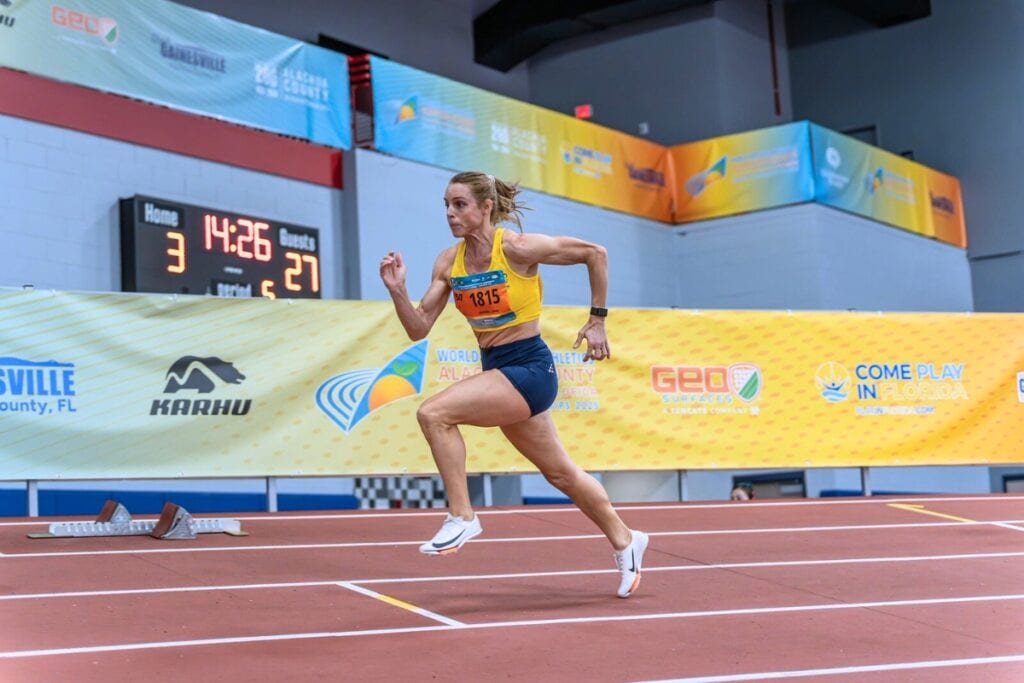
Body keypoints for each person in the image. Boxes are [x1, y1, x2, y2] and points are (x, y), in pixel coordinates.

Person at [378, 170, 649, 598]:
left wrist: (597, 320)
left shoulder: (519, 249)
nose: (450, 213)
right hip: (498, 367)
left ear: (486, 208)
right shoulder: (448, 263)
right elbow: (419, 328)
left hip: (530, 369)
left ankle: (463, 516)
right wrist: (397, 292)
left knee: (434, 413)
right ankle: (626, 539)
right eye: (446, 205)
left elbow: (595, 252)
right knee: (561, 474)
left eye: (460, 204)